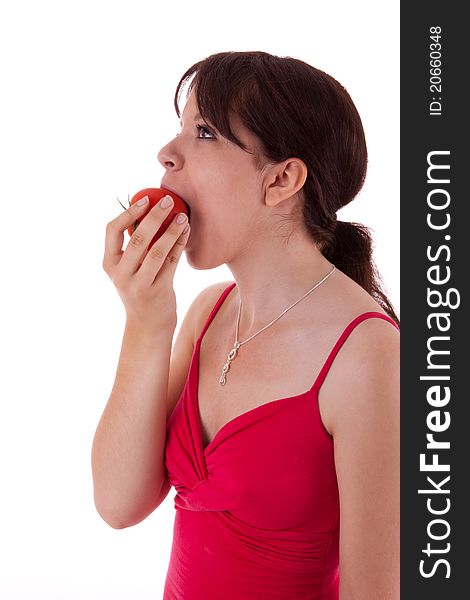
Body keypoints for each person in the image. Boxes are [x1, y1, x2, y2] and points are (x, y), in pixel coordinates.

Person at [93, 51, 400, 599]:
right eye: (180, 129)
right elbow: (118, 503)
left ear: (282, 178)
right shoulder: (209, 312)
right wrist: (145, 320)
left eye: (204, 132)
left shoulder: (370, 354)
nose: (165, 154)